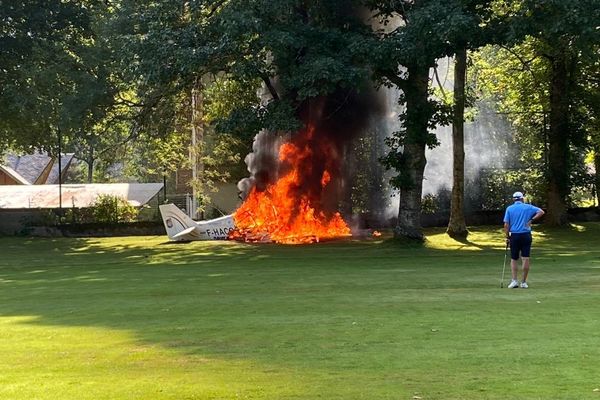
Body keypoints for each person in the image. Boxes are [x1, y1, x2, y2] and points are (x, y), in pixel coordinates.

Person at [503, 191, 545, 289]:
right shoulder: (528, 207)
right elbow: (541, 212)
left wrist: (507, 236)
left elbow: (506, 224)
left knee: (514, 259)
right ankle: (524, 282)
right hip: (526, 235)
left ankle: (514, 281)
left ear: (513, 199)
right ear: (522, 198)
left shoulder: (510, 208)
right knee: (525, 258)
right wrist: (531, 220)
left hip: (515, 235)